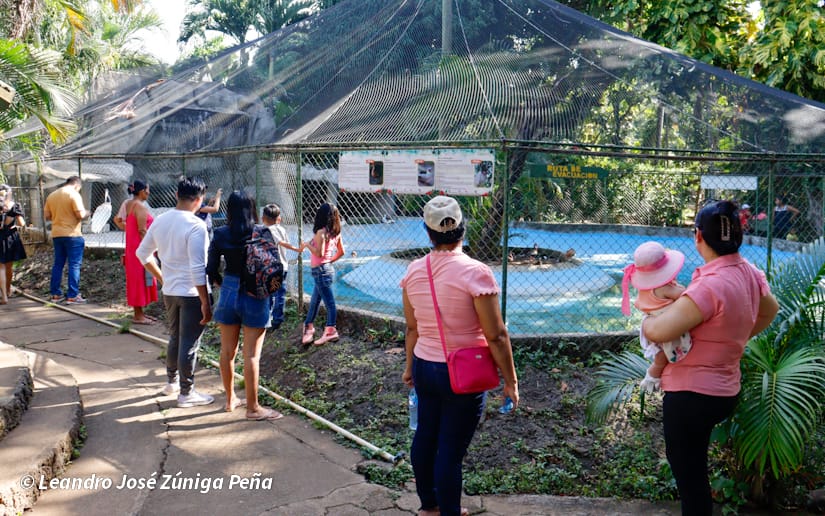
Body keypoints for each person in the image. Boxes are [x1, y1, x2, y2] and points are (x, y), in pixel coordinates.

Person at [642, 200, 779, 516]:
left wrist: (646, 318)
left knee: (691, 484)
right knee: (696, 473)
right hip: (724, 392)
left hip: (691, 396)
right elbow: (770, 309)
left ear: (699, 237)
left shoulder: (709, 286)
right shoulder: (750, 272)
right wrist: (736, 337)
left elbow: (660, 331)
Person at [400, 196, 519, 516]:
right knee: (450, 451)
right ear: (462, 229)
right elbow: (496, 334)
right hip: (463, 373)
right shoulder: (476, 273)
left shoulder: (412, 271)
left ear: (428, 232)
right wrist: (511, 381)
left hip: (426, 366)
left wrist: (410, 367)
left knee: (426, 435)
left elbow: (412, 328)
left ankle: (429, 506)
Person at [136, 176, 215, 409]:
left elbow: (143, 254)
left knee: (175, 337)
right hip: (191, 293)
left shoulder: (161, 221)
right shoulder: (196, 225)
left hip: (170, 291)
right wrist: (205, 302)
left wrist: (162, 278)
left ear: (176, 195)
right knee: (189, 343)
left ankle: (172, 382)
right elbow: (198, 268)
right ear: (199, 200)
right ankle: (186, 393)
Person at [207, 191, 283, 419]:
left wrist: (223, 284)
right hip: (256, 293)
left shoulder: (220, 233)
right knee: (251, 355)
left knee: (227, 352)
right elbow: (274, 265)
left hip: (229, 291)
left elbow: (210, 269)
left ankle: (230, 400)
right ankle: (253, 408)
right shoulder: (261, 232)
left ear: (228, 210)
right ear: (252, 208)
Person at [621, 241, 691, 391]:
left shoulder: (646, 286)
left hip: (650, 320)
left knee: (661, 354)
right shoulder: (664, 287)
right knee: (662, 358)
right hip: (665, 324)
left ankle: (654, 375)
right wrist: (679, 287)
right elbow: (684, 295)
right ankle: (653, 374)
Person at [301, 203, 345, 346]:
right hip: (325, 270)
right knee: (314, 301)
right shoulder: (335, 233)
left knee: (329, 303)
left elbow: (318, 253)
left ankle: (331, 330)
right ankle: (308, 327)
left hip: (320, 271)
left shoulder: (321, 232)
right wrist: (329, 261)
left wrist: (307, 245)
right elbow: (341, 252)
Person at [43, 176, 89, 304]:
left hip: (57, 234)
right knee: (74, 265)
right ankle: (73, 295)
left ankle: (56, 294)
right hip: (73, 235)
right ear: (77, 185)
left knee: (58, 264)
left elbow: (47, 216)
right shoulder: (74, 194)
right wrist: (88, 213)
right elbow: (80, 214)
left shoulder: (52, 195)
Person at [261, 203, 302, 330]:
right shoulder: (282, 229)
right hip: (282, 267)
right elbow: (284, 243)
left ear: (263, 218)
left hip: (271, 268)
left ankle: (269, 319)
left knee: (269, 294)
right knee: (280, 294)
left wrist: (296, 248)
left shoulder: (267, 230)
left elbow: (281, 242)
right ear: (279, 218)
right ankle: (277, 318)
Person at [122, 180, 158, 324]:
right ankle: (138, 315)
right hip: (140, 249)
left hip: (133, 248)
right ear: (142, 191)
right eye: (147, 190)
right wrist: (150, 248)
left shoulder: (129, 204)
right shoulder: (140, 207)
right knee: (139, 279)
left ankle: (140, 312)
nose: (149, 193)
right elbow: (142, 230)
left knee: (137, 279)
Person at [0, 184, 27, 304]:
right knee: (9, 266)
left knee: (1, 267)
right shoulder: (15, 205)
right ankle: (8, 290)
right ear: (9, 193)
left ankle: (4, 296)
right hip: (11, 237)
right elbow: (22, 223)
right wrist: (13, 225)